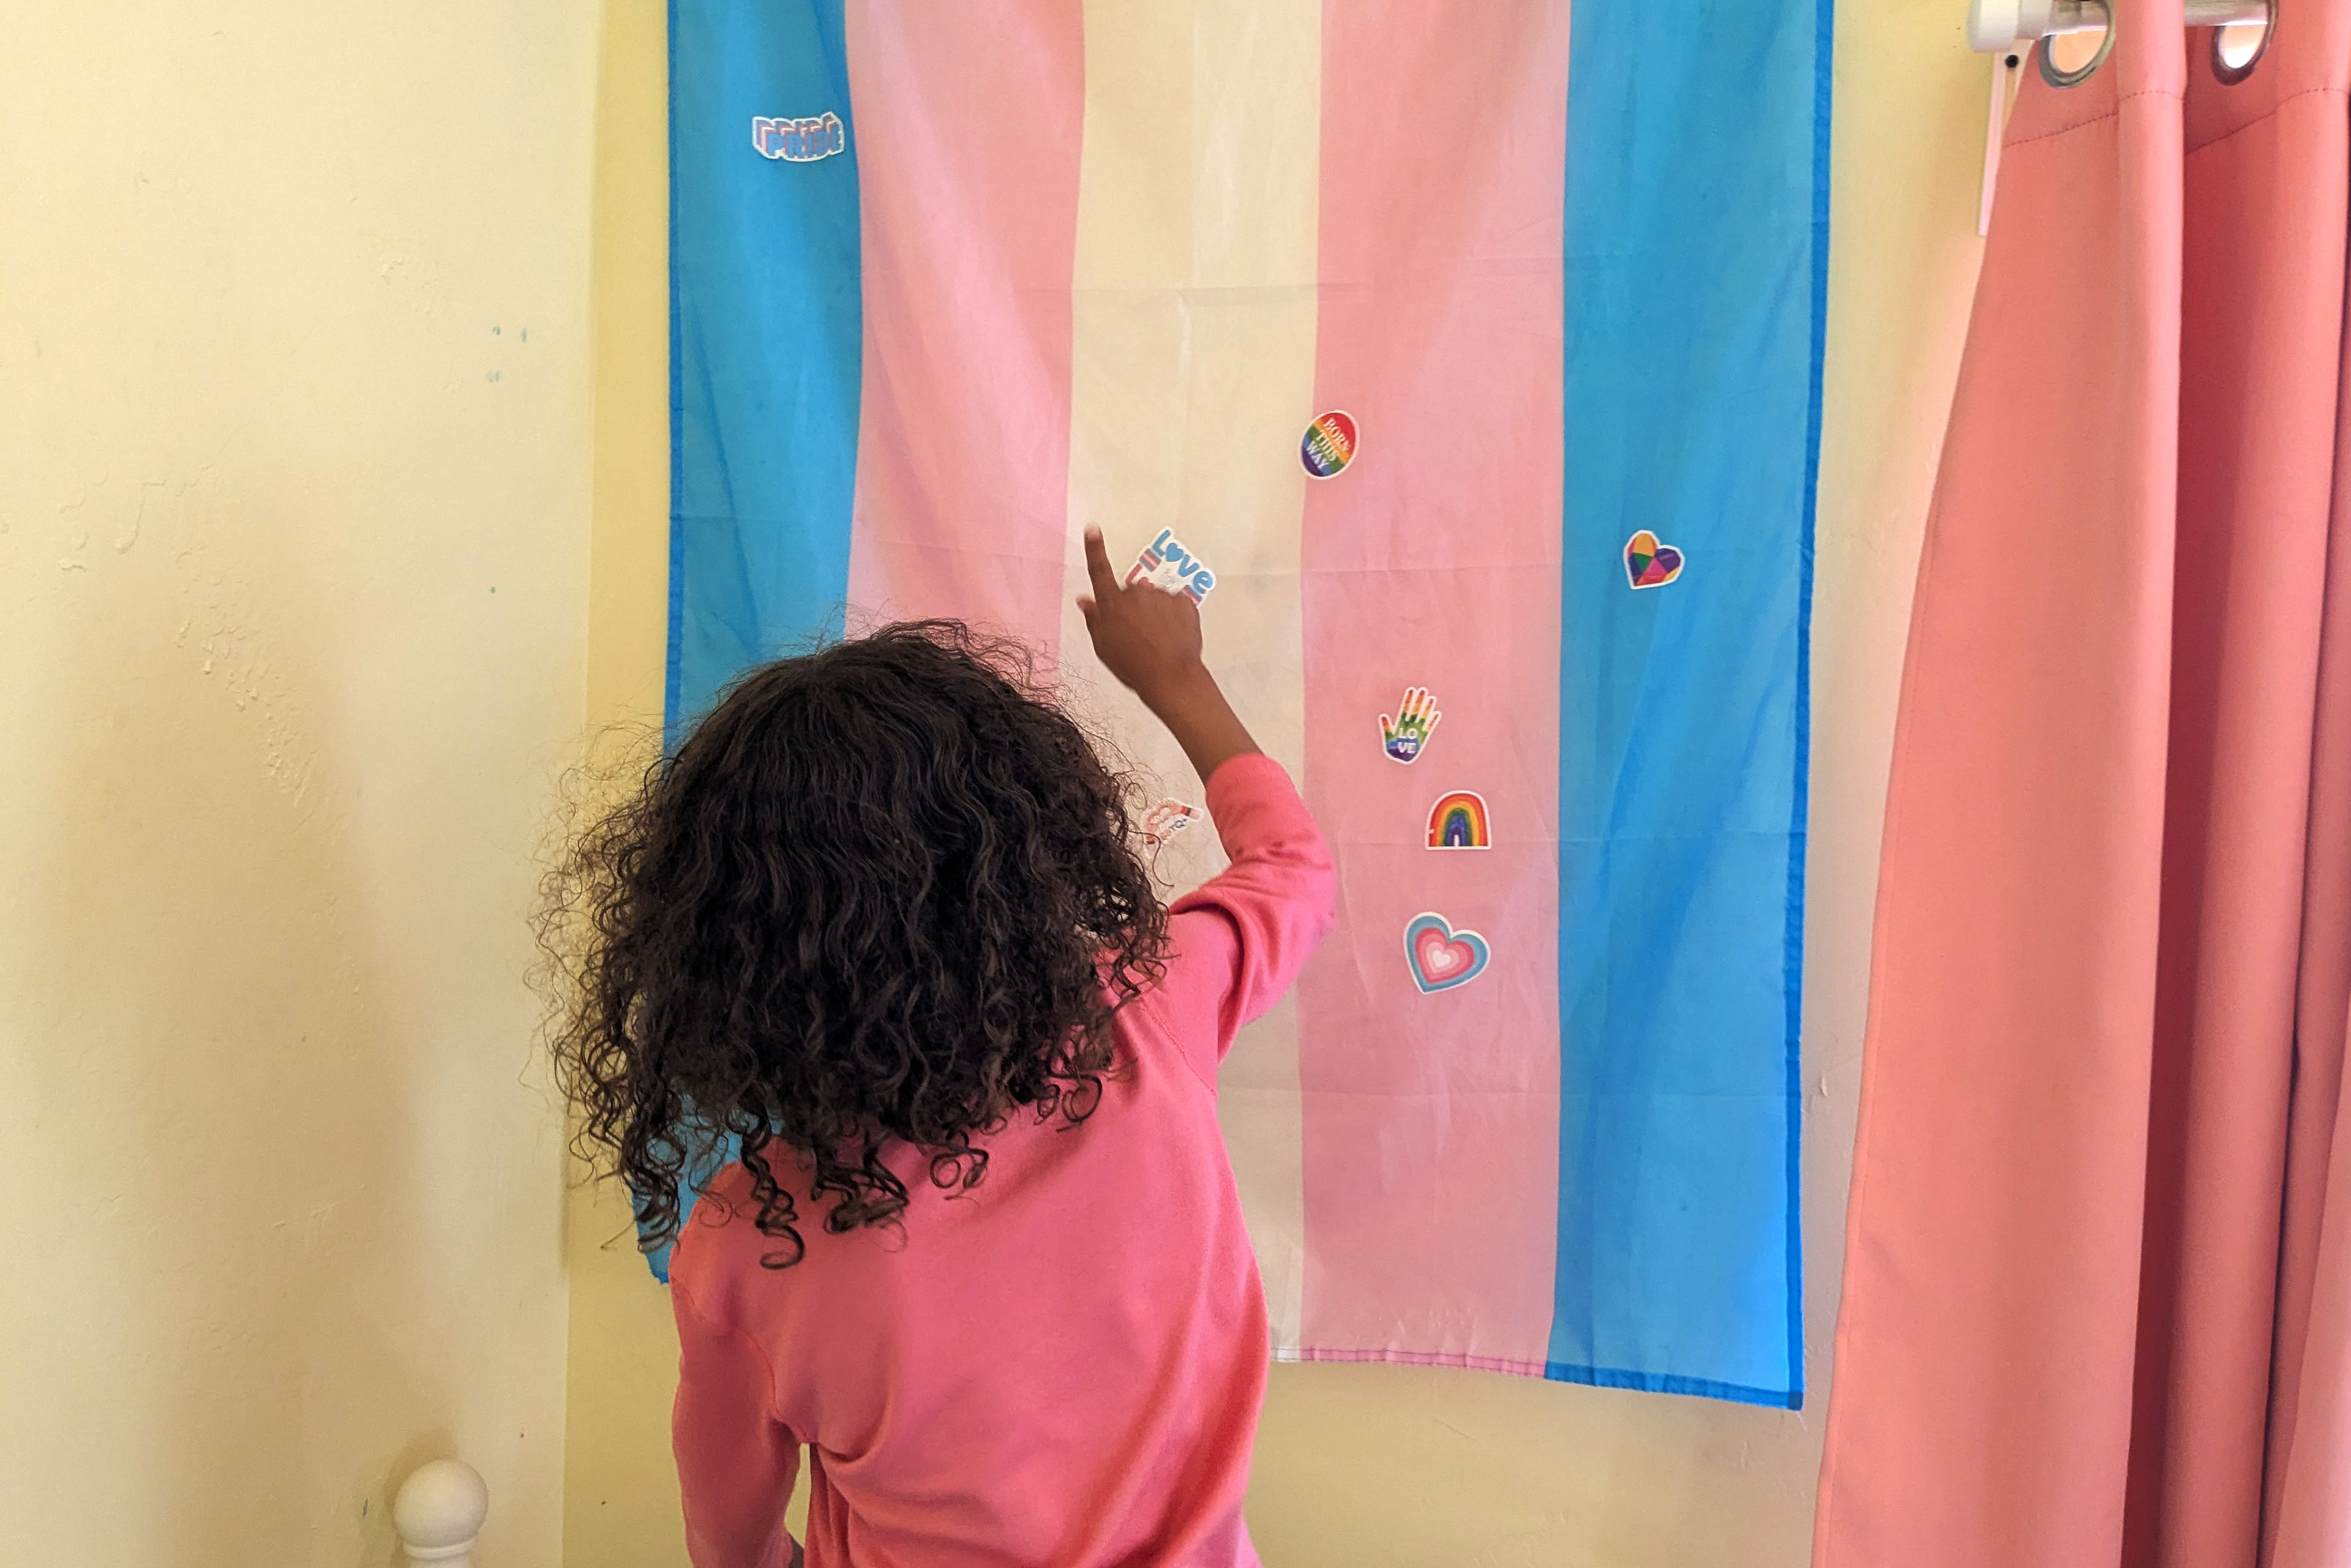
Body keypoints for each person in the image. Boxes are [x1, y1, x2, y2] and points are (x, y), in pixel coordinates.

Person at [545, 527, 1335, 1567]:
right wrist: (1177, 676)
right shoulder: (1145, 1010)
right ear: (1021, 849)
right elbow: (1293, 866)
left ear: (722, 956)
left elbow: (733, 1543)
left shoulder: (745, 1246)